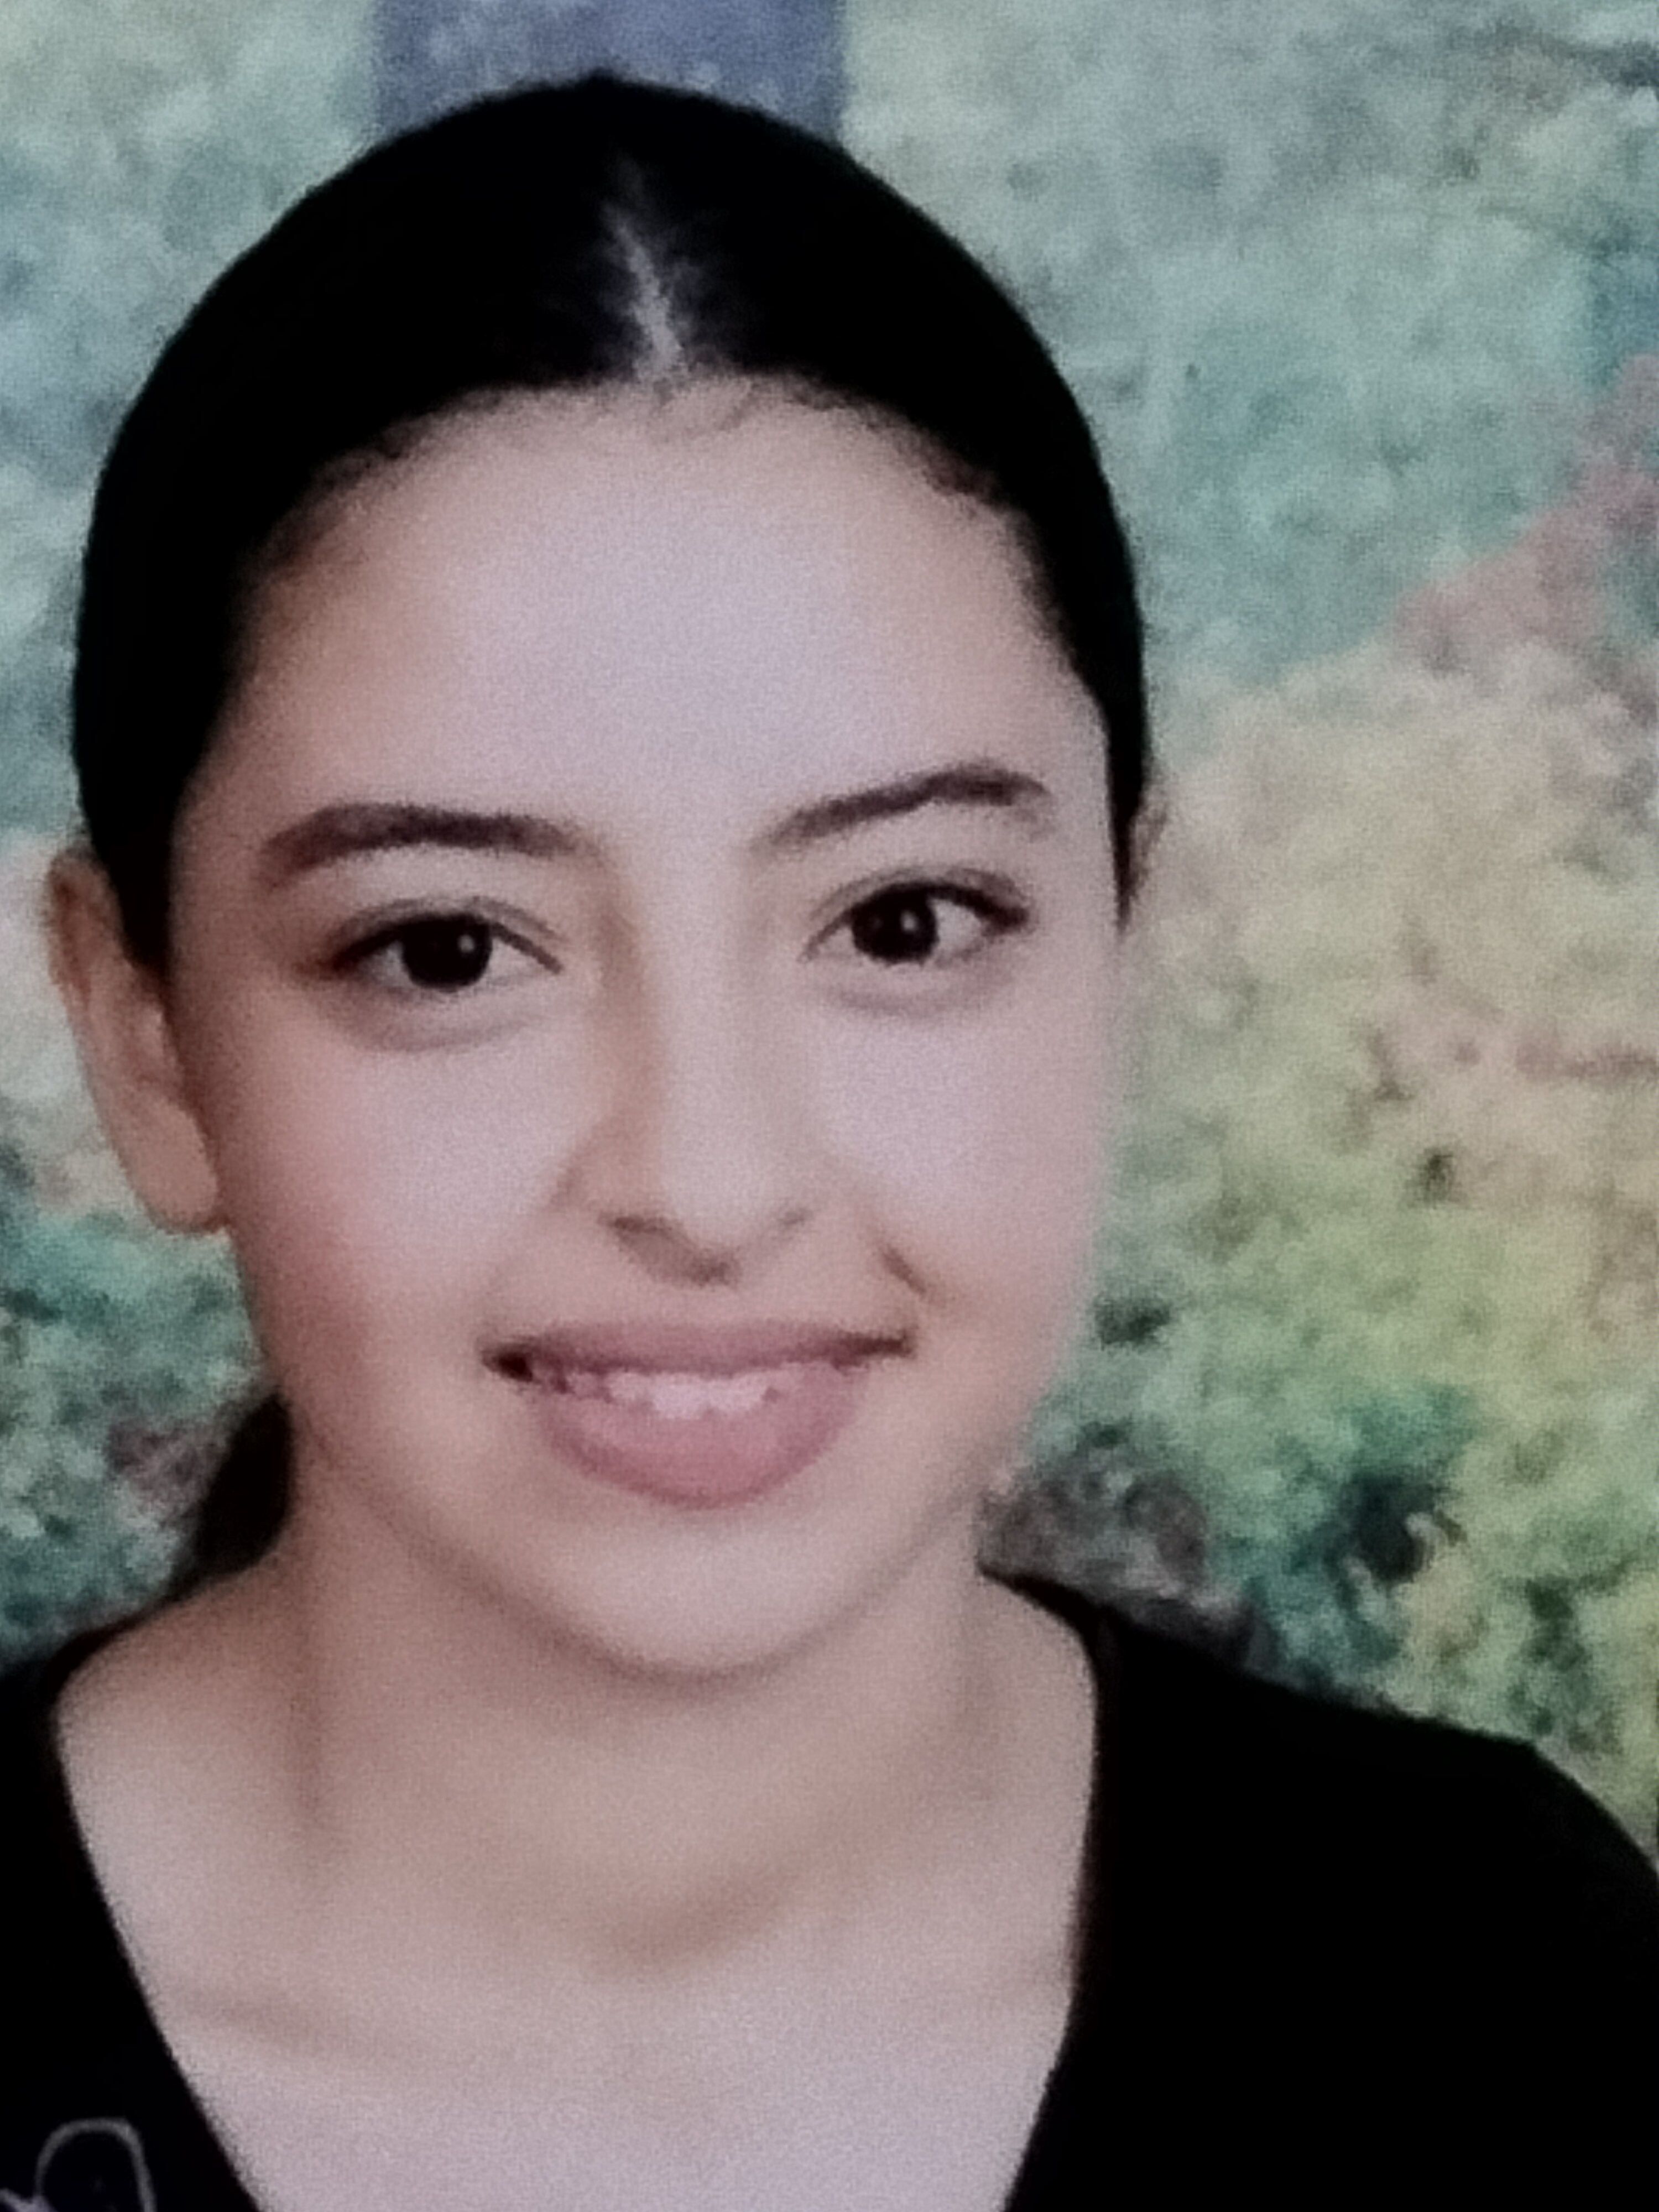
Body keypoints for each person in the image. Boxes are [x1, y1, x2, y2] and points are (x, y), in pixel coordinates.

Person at [1, 74, 1654, 2211]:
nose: (707, 1181)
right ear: (143, 1035)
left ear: (1121, 945)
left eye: (903, 923)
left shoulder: (1503, 2001)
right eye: (446, 950)